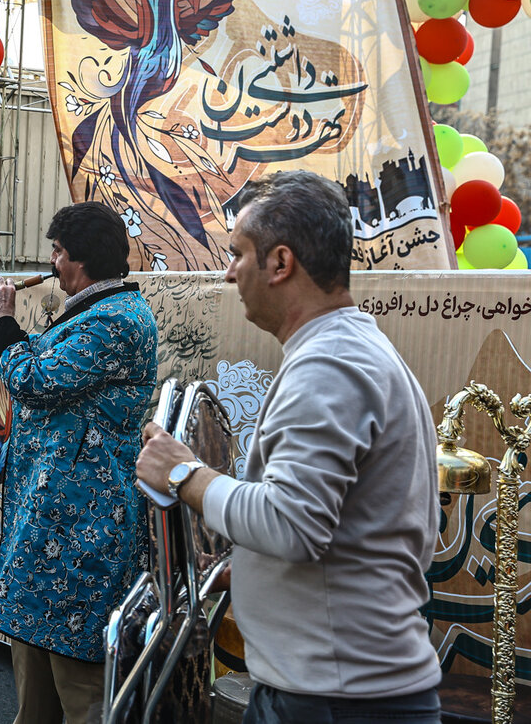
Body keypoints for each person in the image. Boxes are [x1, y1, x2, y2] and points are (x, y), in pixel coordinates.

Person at [136, 171, 442, 724]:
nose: (229, 274)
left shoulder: (329, 365)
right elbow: (347, 530)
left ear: (280, 264)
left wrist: (184, 475)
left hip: (334, 700)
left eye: (238, 255)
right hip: (343, 691)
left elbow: (293, 525)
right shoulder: (344, 350)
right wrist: (246, 569)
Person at [0, 202, 157, 724]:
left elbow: (38, 380)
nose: (52, 262)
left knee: (80, 686)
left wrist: (4, 323)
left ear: (78, 258)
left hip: (83, 526)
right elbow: (41, 367)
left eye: (56, 251)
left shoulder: (117, 319)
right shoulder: (94, 312)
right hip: (50, 515)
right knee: (34, 679)